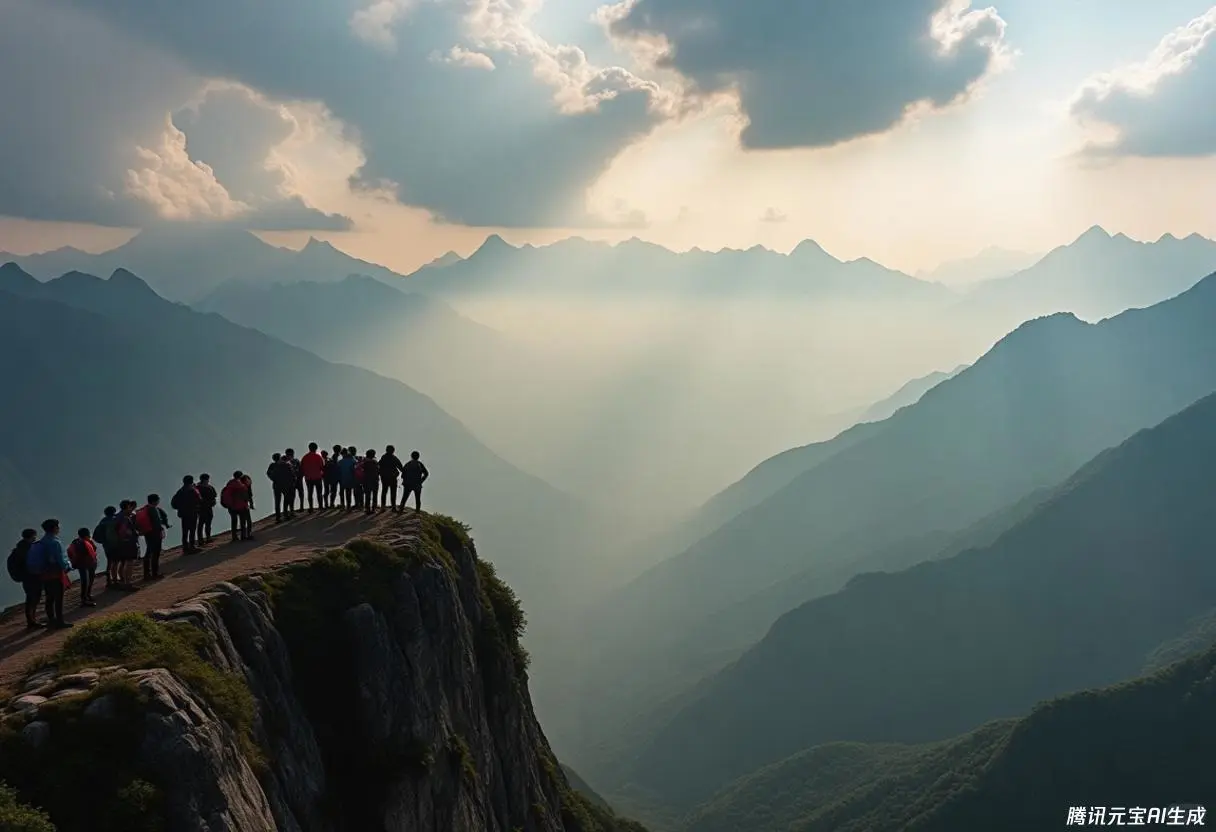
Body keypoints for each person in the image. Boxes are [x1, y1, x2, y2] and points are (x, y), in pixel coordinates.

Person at [31, 519, 72, 629]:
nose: (59, 528)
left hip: (44, 573)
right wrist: (67, 567)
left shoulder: (42, 542)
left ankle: (51, 620)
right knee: (58, 598)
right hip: (55, 573)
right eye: (58, 526)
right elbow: (60, 559)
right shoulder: (55, 542)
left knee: (49, 598)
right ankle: (60, 621)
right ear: (54, 528)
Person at [8, 529, 42, 629]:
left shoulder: (20, 548)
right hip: (32, 577)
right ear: (32, 536)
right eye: (34, 536)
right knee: (33, 599)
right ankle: (32, 622)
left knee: (31, 598)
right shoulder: (29, 548)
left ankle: (31, 620)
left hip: (26, 577)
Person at [135, 494, 170, 581]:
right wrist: (161, 530)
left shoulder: (145, 508)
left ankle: (147, 574)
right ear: (155, 501)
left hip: (148, 533)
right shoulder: (153, 509)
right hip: (155, 533)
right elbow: (157, 522)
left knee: (149, 552)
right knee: (155, 553)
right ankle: (154, 573)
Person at [111, 501, 141, 591]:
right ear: (127, 507)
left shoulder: (116, 517)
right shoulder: (125, 518)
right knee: (129, 562)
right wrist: (135, 534)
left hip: (120, 543)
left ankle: (123, 581)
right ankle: (128, 583)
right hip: (128, 543)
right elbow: (127, 532)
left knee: (123, 562)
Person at [67, 527, 98, 607]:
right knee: (88, 580)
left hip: (81, 564)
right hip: (88, 564)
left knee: (86, 580)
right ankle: (85, 598)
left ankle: (86, 597)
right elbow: (94, 550)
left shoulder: (75, 542)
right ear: (88, 534)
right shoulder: (87, 541)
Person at [171, 475, 202, 554]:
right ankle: (192, 547)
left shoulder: (180, 491)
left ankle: (185, 548)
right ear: (191, 481)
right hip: (192, 512)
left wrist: (181, 507)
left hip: (184, 514)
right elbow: (199, 500)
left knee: (185, 531)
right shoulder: (193, 490)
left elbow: (173, 504)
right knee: (192, 530)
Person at [221, 471, 253, 542]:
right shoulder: (241, 485)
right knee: (243, 522)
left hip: (231, 507)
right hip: (241, 506)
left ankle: (234, 537)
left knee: (234, 521)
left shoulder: (229, 484)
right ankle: (243, 536)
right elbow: (246, 497)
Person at [93, 506, 119, 587]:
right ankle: (115, 580)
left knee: (110, 561)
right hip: (115, 544)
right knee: (115, 562)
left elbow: (95, 536)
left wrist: (103, 541)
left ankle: (109, 580)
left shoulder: (102, 522)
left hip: (106, 545)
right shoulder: (115, 520)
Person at [269, 452, 296, 521]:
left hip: (276, 485)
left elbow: (268, 473)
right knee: (286, 499)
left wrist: (274, 479)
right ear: (280, 457)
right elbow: (291, 473)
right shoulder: (285, 464)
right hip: (285, 484)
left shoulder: (272, 465)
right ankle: (286, 514)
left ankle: (278, 517)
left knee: (277, 501)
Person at [301, 442, 325, 512]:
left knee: (310, 493)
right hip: (317, 477)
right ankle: (320, 506)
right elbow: (321, 467)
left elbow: (302, 468)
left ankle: (311, 507)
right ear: (316, 448)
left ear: (309, 448)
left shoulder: (305, 457)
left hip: (308, 478)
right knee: (319, 493)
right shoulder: (318, 457)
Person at [379, 445, 403, 512]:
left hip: (385, 477)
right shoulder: (394, 458)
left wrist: (380, 474)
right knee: (393, 492)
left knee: (384, 491)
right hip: (392, 477)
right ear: (393, 451)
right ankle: (393, 507)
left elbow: (379, 466)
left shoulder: (383, 457)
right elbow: (400, 467)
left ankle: (383, 507)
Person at [196, 474, 218, 545]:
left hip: (206, 508)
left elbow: (214, 495)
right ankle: (201, 539)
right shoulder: (200, 488)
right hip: (202, 508)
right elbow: (214, 495)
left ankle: (206, 538)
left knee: (206, 523)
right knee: (202, 524)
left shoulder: (198, 487)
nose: (208, 480)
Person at [361, 449, 380, 514]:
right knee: (375, 494)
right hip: (374, 480)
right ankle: (373, 509)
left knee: (367, 495)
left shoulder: (364, 462)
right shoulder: (375, 462)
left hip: (366, 480)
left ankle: (367, 509)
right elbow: (378, 471)